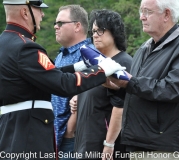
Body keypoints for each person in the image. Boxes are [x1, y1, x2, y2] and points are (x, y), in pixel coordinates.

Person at [0, 1, 125, 159]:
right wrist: (101, 70)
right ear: (25, 13)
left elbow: (43, 76)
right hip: (29, 133)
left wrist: (76, 67)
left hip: (10, 129)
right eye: (38, 10)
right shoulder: (26, 48)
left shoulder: (5, 44)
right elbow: (63, 84)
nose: (42, 14)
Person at [106, 0, 179, 160]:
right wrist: (116, 86)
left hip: (164, 148)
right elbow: (137, 91)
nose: (141, 17)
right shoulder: (144, 48)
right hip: (138, 143)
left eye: (147, 12)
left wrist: (130, 83)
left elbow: (175, 89)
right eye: (141, 11)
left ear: (166, 14)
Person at [69, 9, 132, 160]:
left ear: (114, 32)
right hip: (85, 144)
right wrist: (78, 98)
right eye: (94, 31)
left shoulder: (122, 63)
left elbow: (120, 108)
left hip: (103, 148)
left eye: (101, 30)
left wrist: (109, 145)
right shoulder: (96, 62)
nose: (95, 35)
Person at [51, 5, 91, 159]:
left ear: (77, 26)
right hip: (56, 136)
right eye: (55, 23)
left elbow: (85, 95)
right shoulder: (60, 55)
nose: (56, 26)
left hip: (72, 140)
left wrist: (69, 131)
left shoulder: (89, 53)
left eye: (60, 23)